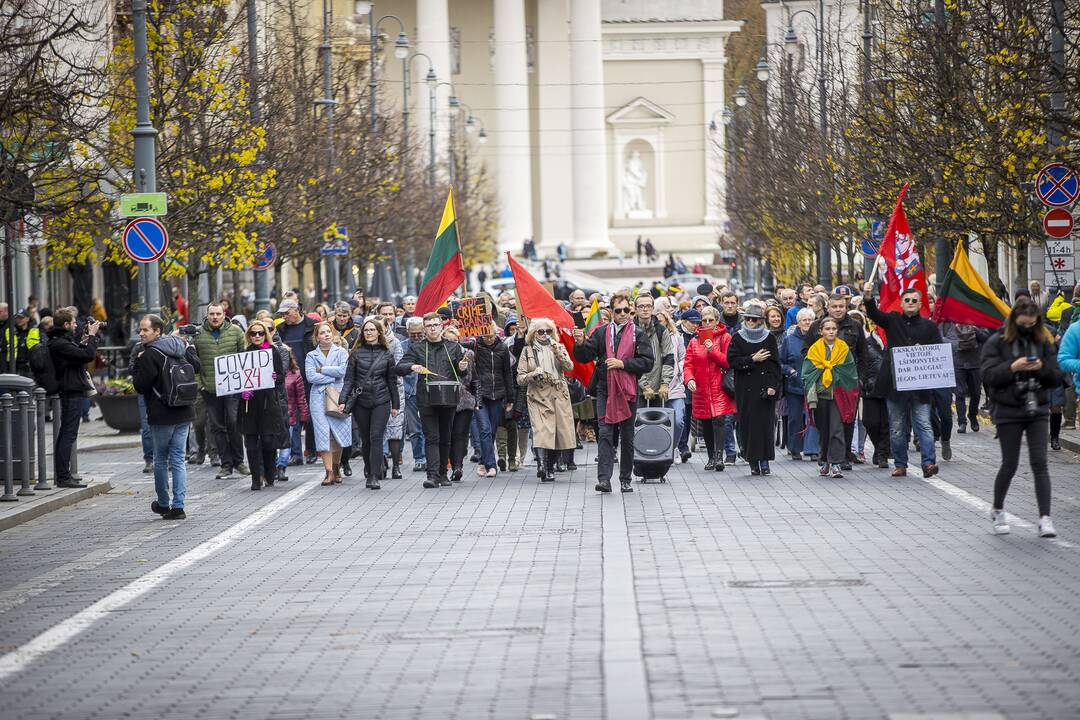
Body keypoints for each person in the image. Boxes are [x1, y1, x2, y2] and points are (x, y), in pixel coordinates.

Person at [985, 299, 1063, 537]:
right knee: (1010, 463)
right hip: (1008, 409)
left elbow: (1056, 377)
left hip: (1036, 407)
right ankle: (998, 509)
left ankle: (1045, 518)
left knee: (1040, 463)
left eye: (1032, 324)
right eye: (1023, 324)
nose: (1027, 328)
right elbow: (988, 376)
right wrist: (1012, 367)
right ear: (1013, 321)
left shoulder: (1043, 341)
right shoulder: (997, 341)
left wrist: (1040, 368)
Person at [573, 293, 654, 493]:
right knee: (606, 434)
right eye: (618, 311)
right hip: (605, 389)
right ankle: (604, 480)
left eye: (627, 310)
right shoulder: (601, 333)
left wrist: (623, 364)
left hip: (628, 391)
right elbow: (584, 357)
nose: (623, 314)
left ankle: (625, 478)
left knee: (627, 436)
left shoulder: (638, 333)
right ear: (611, 311)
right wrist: (580, 343)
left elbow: (648, 362)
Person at [863, 282, 942, 477]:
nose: (910, 303)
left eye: (914, 300)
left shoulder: (930, 327)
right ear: (901, 303)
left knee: (923, 424)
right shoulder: (892, 320)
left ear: (920, 303)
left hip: (920, 386)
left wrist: (924, 352)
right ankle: (900, 463)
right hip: (895, 386)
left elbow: (939, 352)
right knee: (897, 427)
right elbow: (874, 314)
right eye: (907, 300)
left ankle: (929, 463)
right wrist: (867, 296)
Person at [130, 314, 200, 518]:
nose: (141, 333)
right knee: (178, 459)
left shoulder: (150, 354)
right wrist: (190, 348)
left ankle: (163, 503)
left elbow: (140, 386)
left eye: (145, 330)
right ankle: (178, 506)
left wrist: (137, 365)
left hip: (162, 413)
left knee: (160, 458)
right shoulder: (179, 347)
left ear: (157, 331)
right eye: (140, 330)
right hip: (184, 409)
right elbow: (196, 367)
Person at [397, 312, 469, 489]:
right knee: (431, 436)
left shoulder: (453, 346)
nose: (433, 328)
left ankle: (443, 473)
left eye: (436, 325)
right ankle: (432, 475)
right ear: (424, 328)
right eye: (429, 326)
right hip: (427, 397)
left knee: (445, 436)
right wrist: (412, 366)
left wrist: (462, 368)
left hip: (449, 396)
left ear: (442, 326)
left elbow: (462, 373)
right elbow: (399, 367)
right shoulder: (417, 348)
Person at [804, 294, 869, 470]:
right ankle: (825, 458)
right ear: (828, 307)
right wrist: (815, 374)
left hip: (846, 386)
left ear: (846, 307)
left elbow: (863, 355)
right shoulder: (816, 326)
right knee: (824, 425)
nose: (838, 309)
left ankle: (840, 459)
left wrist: (859, 380)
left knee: (842, 423)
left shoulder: (854, 326)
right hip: (822, 387)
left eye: (841, 306)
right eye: (834, 306)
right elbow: (806, 354)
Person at [340, 319, 400, 489]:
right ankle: (369, 467)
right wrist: (342, 400)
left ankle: (374, 475)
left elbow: (392, 381)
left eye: (372, 330)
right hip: (361, 401)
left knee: (376, 436)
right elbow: (349, 380)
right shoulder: (356, 354)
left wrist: (395, 405)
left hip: (382, 400)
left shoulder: (387, 354)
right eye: (366, 330)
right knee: (366, 439)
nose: (369, 333)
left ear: (379, 332)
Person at [193, 302, 249, 479]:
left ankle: (239, 461)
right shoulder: (198, 334)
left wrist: (243, 384)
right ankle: (226, 464)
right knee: (217, 427)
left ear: (224, 314)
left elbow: (244, 357)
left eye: (218, 314)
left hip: (232, 388)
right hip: (209, 389)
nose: (215, 317)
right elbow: (193, 363)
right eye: (212, 314)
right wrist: (200, 384)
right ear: (207, 315)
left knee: (233, 422)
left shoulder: (236, 332)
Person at [48, 308, 102, 488]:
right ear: (65, 325)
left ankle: (63, 475)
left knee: (67, 434)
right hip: (70, 390)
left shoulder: (61, 341)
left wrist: (85, 341)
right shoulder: (60, 343)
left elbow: (77, 355)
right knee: (68, 434)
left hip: (71, 389)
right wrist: (92, 336)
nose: (75, 325)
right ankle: (63, 477)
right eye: (72, 322)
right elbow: (87, 356)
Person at [726, 305, 783, 475]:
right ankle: (752, 461)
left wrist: (773, 386)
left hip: (765, 387)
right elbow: (732, 361)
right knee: (748, 425)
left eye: (754, 319)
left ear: (761, 321)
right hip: (745, 388)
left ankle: (765, 461)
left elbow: (775, 365)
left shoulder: (769, 338)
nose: (750, 322)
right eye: (748, 318)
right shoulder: (737, 338)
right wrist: (752, 359)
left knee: (765, 425)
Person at [518, 318, 576, 482]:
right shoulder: (527, 351)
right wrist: (532, 374)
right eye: (541, 332)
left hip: (558, 393)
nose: (545, 335)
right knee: (542, 430)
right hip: (538, 394)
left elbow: (569, 367)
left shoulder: (559, 346)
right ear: (533, 334)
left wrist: (557, 350)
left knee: (558, 432)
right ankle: (541, 466)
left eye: (548, 331)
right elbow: (520, 378)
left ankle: (550, 468)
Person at [682, 306, 735, 471]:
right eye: (703, 320)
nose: (706, 323)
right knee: (705, 422)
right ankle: (711, 457)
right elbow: (688, 364)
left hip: (719, 386)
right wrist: (689, 379)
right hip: (701, 388)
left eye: (710, 320)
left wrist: (712, 349)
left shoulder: (725, 338)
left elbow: (728, 362)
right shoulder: (693, 341)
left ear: (717, 321)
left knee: (719, 420)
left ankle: (720, 456)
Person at [237, 321, 287, 491]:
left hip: (267, 404)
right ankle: (255, 478)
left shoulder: (272, 352)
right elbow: (237, 380)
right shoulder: (244, 354)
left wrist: (274, 377)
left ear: (266, 334)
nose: (257, 336)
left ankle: (269, 473)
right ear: (249, 335)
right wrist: (242, 392)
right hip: (249, 405)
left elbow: (281, 376)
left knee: (267, 440)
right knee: (250, 442)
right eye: (254, 333)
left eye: (260, 333)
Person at [306, 322, 352, 486]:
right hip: (318, 397)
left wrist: (323, 370)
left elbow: (343, 372)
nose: (326, 335)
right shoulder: (311, 355)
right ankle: (329, 472)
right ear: (317, 337)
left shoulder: (341, 352)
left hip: (337, 395)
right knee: (322, 433)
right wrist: (332, 375)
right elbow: (311, 377)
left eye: (328, 332)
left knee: (337, 433)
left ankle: (336, 465)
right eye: (322, 333)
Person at [276, 299, 318, 463]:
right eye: (282, 314)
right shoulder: (281, 329)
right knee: (292, 415)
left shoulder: (312, 325)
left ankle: (312, 450)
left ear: (296, 310)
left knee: (311, 415)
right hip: (289, 379)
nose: (284, 317)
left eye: (286, 313)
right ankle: (295, 454)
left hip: (310, 377)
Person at [470, 323, 513, 478]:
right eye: (485, 336)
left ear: (497, 334)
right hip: (480, 394)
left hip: (498, 394)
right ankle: (491, 465)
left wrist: (510, 398)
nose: (488, 339)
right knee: (485, 430)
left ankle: (483, 461)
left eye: (491, 336)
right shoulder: (475, 347)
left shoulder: (502, 348)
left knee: (492, 431)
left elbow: (507, 373)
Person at [780, 308, 818, 461]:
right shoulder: (789, 340)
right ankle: (795, 448)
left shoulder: (817, 339)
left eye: (810, 320)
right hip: (794, 384)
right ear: (798, 322)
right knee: (795, 418)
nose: (807, 322)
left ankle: (813, 449)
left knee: (813, 417)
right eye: (804, 320)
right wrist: (790, 372)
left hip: (814, 384)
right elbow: (781, 362)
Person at [443, 325, 478, 482]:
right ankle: (450, 463)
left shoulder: (468, 354)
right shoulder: (440, 355)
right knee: (448, 434)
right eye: (449, 341)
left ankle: (458, 466)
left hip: (464, 400)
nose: (453, 344)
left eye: (455, 340)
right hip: (444, 399)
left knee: (460, 434)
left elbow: (474, 378)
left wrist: (477, 398)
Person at [655, 309, 688, 463]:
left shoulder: (676, 337)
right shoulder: (649, 337)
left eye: (662, 320)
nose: (660, 324)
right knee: (659, 421)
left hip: (675, 385)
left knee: (679, 420)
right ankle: (662, 449)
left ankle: (673, 447)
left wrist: (680, 369)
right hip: (656, 386)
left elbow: (683, 357)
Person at [634, 293, 675, 412]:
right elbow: (631, 360)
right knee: (638, 425)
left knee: (659, 425)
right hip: (636, 389)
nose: (645, 309)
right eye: (641, 306)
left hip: (659, 389)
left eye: (648, 305)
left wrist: (665, 383)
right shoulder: (629, 331)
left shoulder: (661, 330)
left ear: (653, 308)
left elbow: (669, 357)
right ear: (635, 309)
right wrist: (644, 385)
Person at [274, 349, 308, 483]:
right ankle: (273, 465)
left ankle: (281, 467)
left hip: (289, 414)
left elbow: (301, 397)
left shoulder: (295, 375)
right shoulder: (269, 375)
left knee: (285, 442)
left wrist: (304, 415)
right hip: (271, 413)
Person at [401, 317, 427, 472]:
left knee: (429, 427)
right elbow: (399, 368)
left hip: (428, 391)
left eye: (419, 334)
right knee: (415, 428)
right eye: (413, 334)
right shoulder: (403, 347)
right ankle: (419, 458)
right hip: (410, 392)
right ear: (407, 332)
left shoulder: (428, 345)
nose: (417, 337)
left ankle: (431, 458)